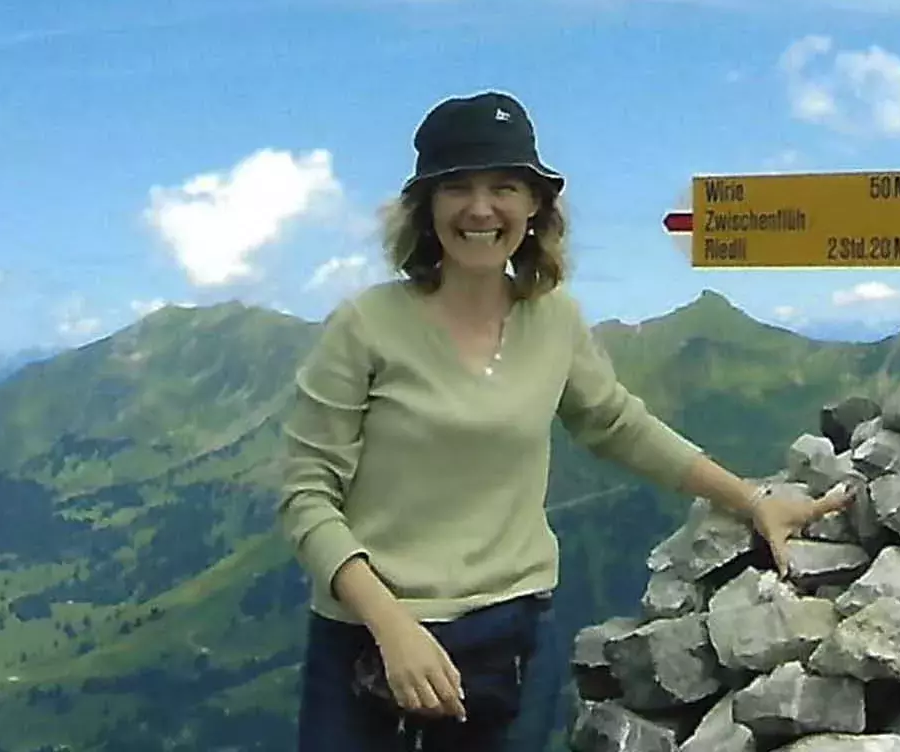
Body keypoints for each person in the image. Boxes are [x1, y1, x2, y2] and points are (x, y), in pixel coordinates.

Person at [276, 91, 851, 751]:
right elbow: (305, 495)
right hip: (366, 644)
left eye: (505, 186)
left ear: (535, 207)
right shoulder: (365, 326)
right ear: (426, 207)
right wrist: (392, 625)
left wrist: (753, 499)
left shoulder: (553, 319)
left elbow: (615, 423)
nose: (481, 208)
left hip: (510, 644)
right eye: (457, 186)